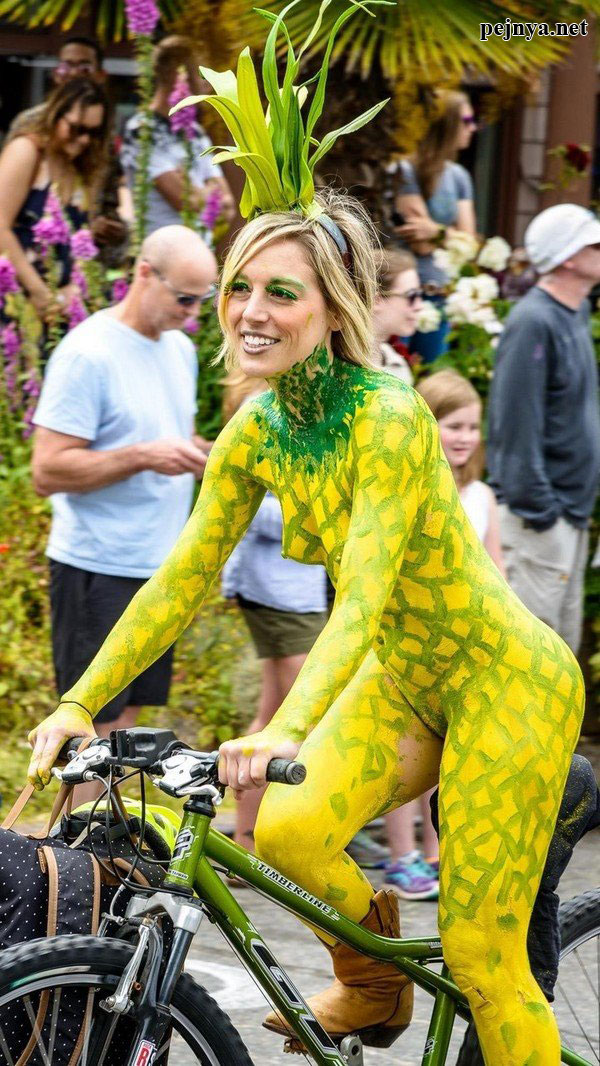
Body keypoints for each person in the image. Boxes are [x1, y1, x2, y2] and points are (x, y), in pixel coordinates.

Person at [27, 13, 585, 1064]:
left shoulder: (389, 415)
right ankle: (373, 987)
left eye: (279, 292)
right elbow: (180, 580)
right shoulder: (257, 429)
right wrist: (77, 702)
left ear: (332, 310)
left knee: (482, 953)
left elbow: (363, 595)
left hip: (505, 678)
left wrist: (285, 728)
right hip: (407, 677)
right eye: (237, 287)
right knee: (284, 833)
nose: (247, 309)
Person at [31, 224, 216, 798]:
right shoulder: (87, 352)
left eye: (202, 301)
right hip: (97, 565)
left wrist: (207, 455)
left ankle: (110, 850)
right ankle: (72, 854)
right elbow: (47, 469)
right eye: (183, 298)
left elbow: (168, 436)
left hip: (159, 570)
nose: (191, 313)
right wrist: (142, 456)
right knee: (91, 730)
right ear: (143, 273)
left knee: (129, 729)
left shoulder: (180, 349)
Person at [221, 372, 329, 854]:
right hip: (277, 596)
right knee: (303, 719)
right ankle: (278, 837)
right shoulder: (252, 455)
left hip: (300, 595)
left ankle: (247, 836)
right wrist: (321, 508)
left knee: (272, 716)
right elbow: (255, 515)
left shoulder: (301, 444)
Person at [487, 202, 600, 655]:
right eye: (594, 243)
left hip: (570, 514)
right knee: (530, 658)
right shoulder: (534, 320)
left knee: (562, 654)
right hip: (540, 521)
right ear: (567, 257)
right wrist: (541, 511)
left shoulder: (574, 311)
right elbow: (514, 426)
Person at [8, 37, 129, 260]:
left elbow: (108, 199)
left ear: (100, 75)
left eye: (84, 67)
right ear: (56, 73)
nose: (73, 74)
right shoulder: (28, 130)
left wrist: (104, 226)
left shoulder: (100, 135)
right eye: (66, 66)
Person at [0, 77, 110, 320]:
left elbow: (80, 238)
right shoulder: (27, 151)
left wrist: (74, 289)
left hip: (57, 310)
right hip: (13, 302)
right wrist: (38, 292)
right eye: (77, 129)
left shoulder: (82, 168)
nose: (85, 140)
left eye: (94, 133)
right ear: (55, 115)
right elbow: (1, 226)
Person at [388, 89, 477, 362]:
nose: (473, 128)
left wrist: (436, 231)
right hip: (403, 295)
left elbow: (470, 243)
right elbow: (421, 244)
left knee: (433, 375)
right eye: (467, 120)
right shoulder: (404, 170)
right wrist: (450, 237)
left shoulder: (459, 176)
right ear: (446, 124)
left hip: (440, 294)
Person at [121, 35, 234, 238]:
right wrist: (208, 193)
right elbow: (186, 202)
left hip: (200, 250)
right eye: (202, 75)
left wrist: (191, 186)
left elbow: (227, 206)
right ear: (179, 75)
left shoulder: (195, 132)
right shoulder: (141, 132)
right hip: (160, 249)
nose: (208, 85)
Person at [418, 370, 505, 575]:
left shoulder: (482, 495)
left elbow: (496, 570)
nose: (465, 438)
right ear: (426, 425)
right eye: (455, 427)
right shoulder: (413, 491)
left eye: (473, 428)